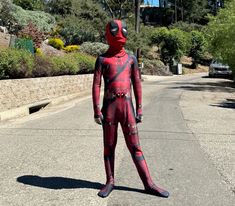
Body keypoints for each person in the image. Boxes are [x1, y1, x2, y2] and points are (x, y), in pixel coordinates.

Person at [92, 19, 169, 198]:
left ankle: (148, 183)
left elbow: (137, 84)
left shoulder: (131, 59)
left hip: (127, 108)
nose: (119, 34)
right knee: (109, 147)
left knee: (135, 147)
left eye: (121, 30)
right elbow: (96, 85)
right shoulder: (102, 59)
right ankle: (110, 181)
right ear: (107, 35)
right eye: (115, 31)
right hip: (109, 109)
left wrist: (140, 108)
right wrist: (96, 110)